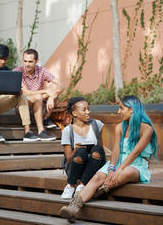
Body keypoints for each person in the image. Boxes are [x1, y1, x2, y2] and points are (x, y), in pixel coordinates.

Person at [59, 95, 158, 223]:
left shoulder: (147, 129)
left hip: (136, 164)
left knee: (125, 173)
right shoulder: (119, 127)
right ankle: (73, 208)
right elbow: (116, 151)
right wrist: (112, 168)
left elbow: (135, 152)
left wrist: (119, 170)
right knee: (97, 177)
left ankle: (95, 192)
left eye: (121, 108)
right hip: (118, 161)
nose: (118, 112)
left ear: (132, 109)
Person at [61, 97, 106, 199]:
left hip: (95, 165)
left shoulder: (97, 125)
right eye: (84, 110)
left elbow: (101, 148)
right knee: (80, 152)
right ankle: (71, 185)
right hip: (77, 166)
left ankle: (82, 185)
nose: (88, 112)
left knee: (97, 149)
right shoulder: (67, 131)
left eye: (88, 109)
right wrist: (75, 149)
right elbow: (68, 159)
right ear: (75, 113)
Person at [14, 49, 63, 141]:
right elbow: (26, 92)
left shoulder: (41, 70)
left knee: (53, 92)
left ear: (36, 61)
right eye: (25, 61)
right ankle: (41, 131)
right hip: (23, 105)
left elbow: (61, 85)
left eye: (30, 61)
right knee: (40, 96)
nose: (27, 64)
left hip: (39, 103)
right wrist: (46, 91)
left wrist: (51, 97)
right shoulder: (17, 71)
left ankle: (46, 118)